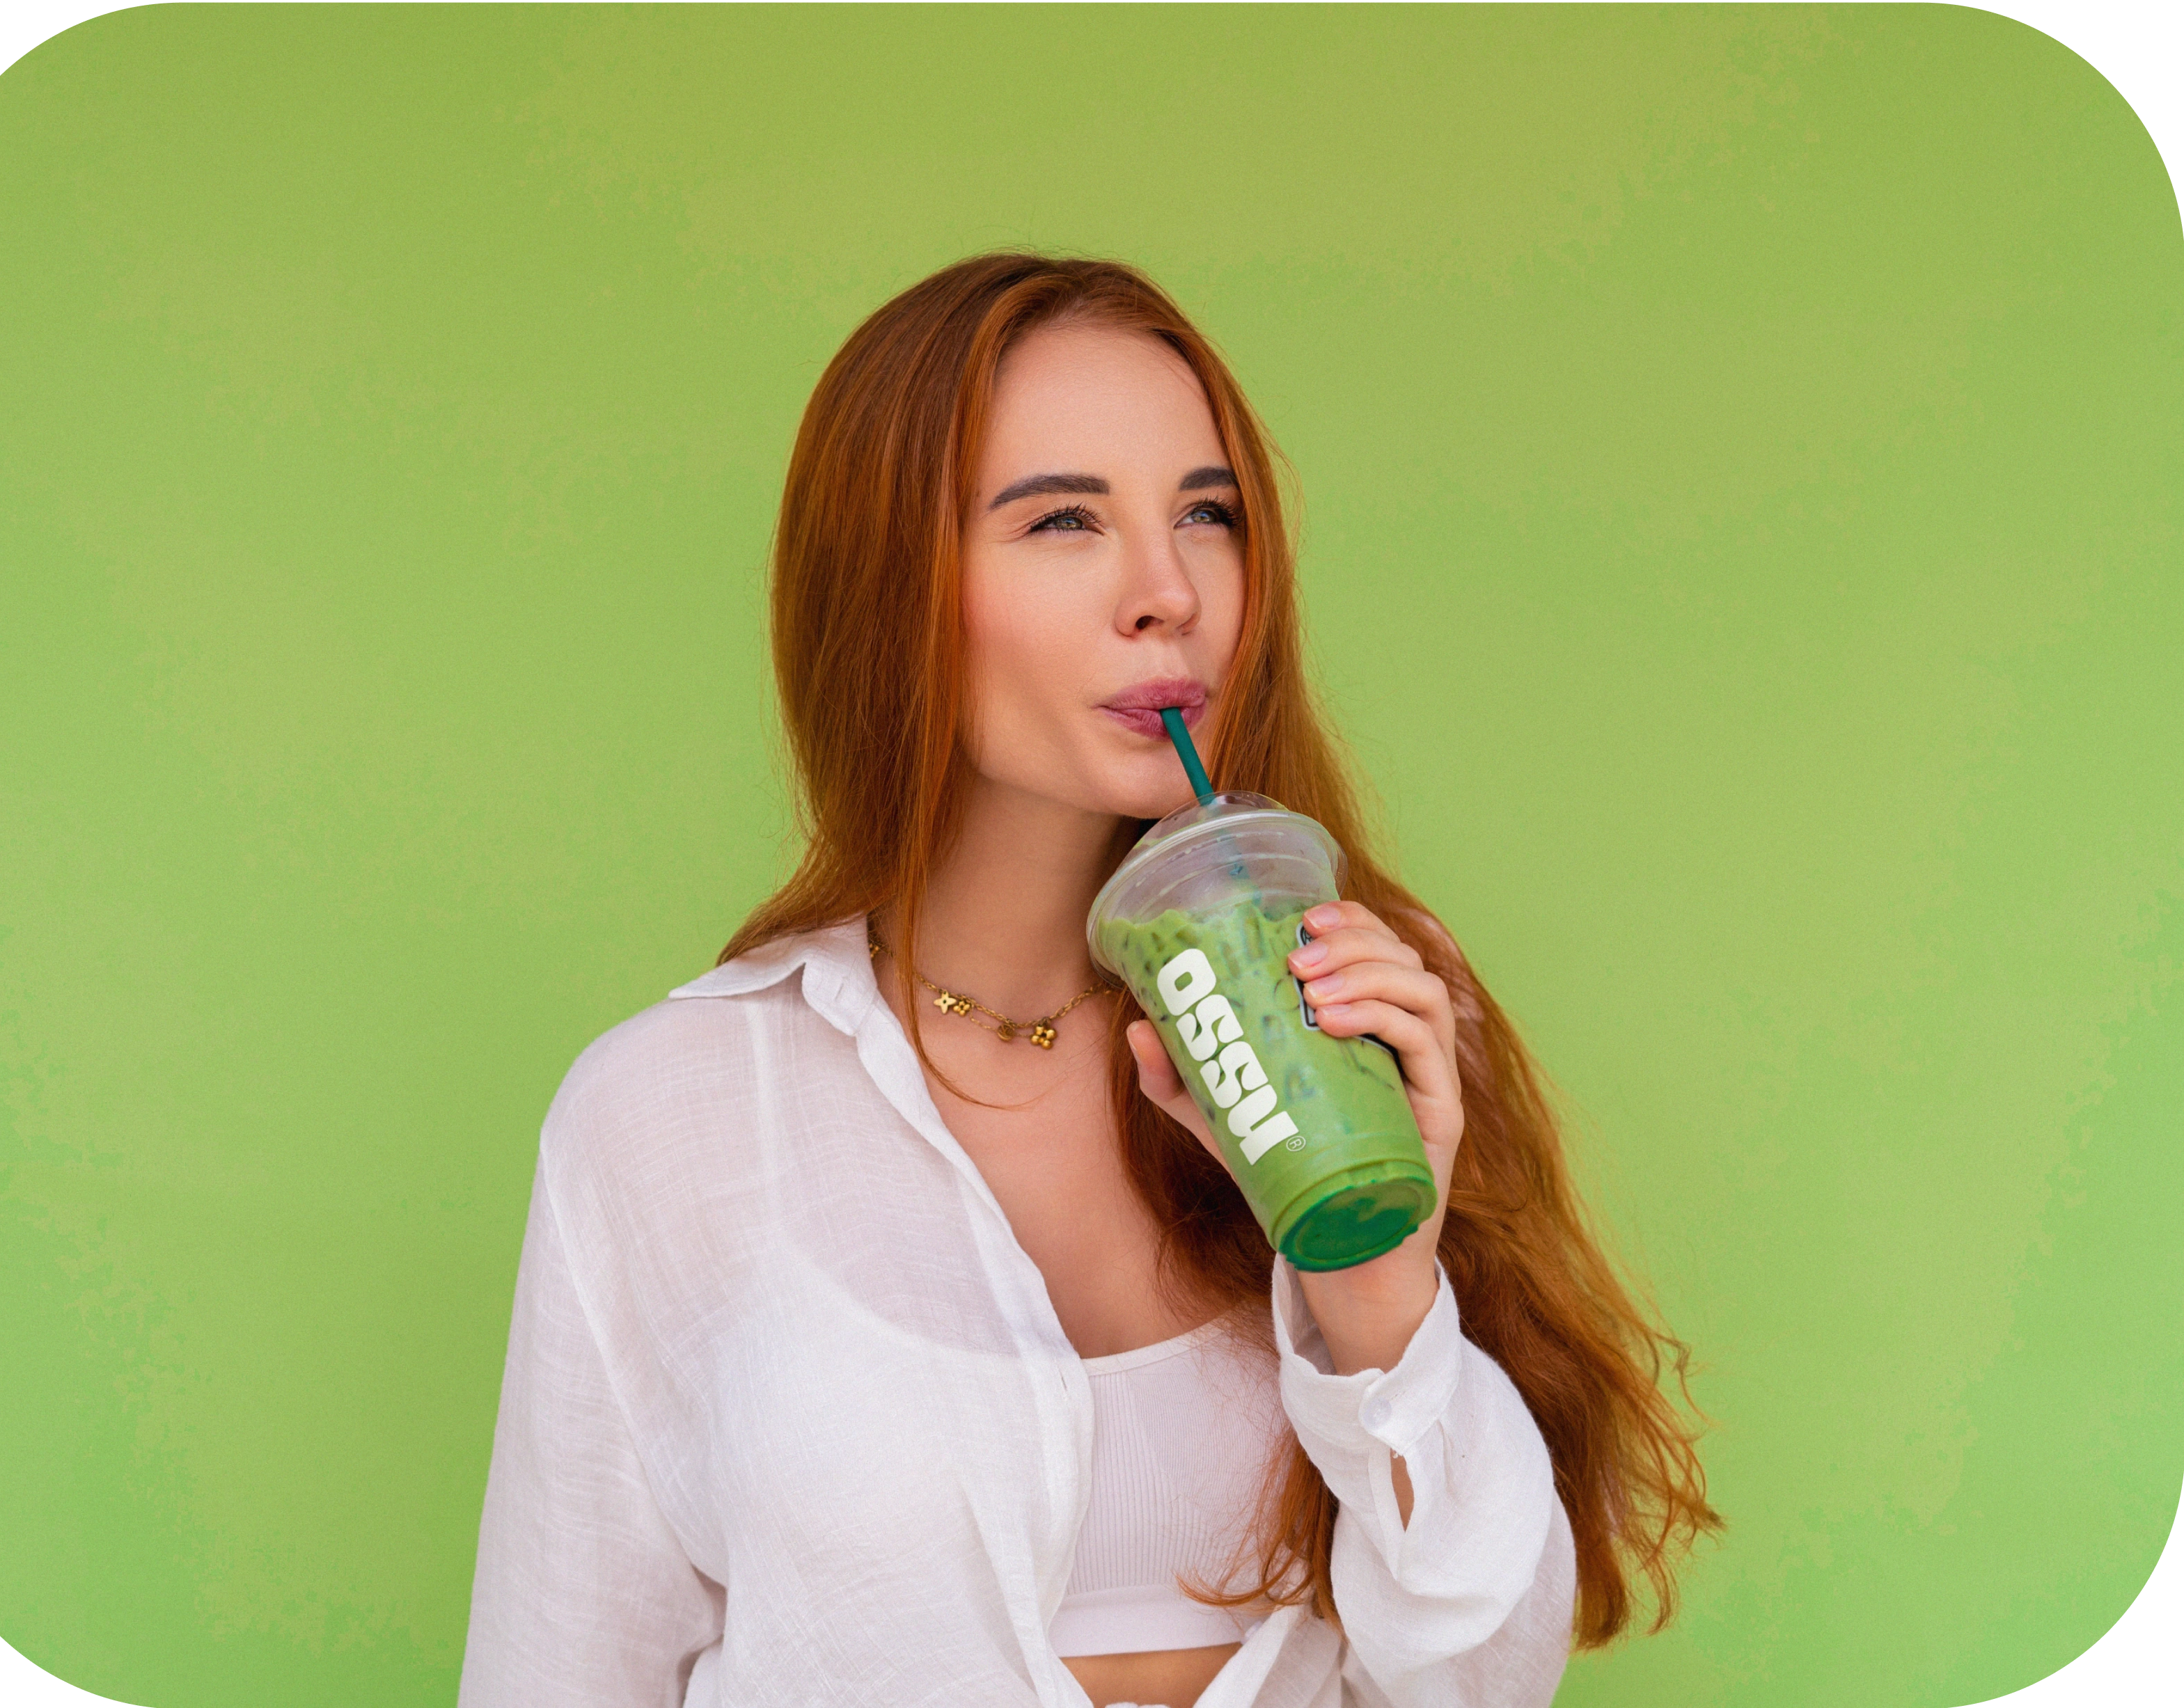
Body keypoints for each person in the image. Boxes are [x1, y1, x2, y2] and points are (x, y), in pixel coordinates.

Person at [457, 252, 1718, 1708]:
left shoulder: (1358, 1023)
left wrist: (1379, 1291)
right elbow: (558, 1672)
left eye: (1209, 515)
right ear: (891, 586)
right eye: (1063, 519)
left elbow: (1485, 1677)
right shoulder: (670, 1119)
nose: (1168, 592)